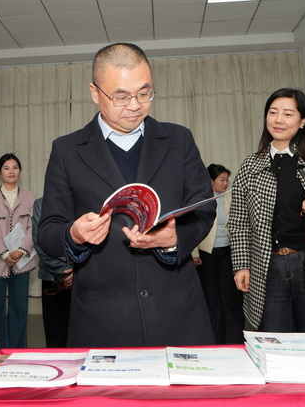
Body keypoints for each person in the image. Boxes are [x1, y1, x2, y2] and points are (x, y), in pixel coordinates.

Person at [37, 42, 216, 348]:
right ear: (95, 93)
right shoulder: (67, 151)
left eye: (144, 93)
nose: (135, 106)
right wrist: (75, 233)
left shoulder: (178, 140)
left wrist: (174, 239)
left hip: (175, 309)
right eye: (121, 97)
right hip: (102, 316)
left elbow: (203, 207)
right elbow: (48, 230)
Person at [227, 89, 305, 333]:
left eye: (288, 114)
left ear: (303, 121)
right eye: (273, 113)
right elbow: (239, 223)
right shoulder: (251, 166)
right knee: (275, 340)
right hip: (267, 266)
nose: (278, 120)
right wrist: (241, 265)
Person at [0, 153, 37, 349]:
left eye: (15, 167)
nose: (11, 171)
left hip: (22, 262)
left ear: (20, 171)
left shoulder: (29, 196)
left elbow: (33, 227)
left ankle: (17, 350)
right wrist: (5, 254)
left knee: (19, 309)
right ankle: (0, 350)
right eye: (6, 168)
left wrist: (21, 250)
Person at [193, 164, 245, 343]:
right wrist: (194, 253)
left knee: (231, 295)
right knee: (212, 296)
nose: (225, 183)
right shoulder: (201, 199)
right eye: (222, 179)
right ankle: (215, 338)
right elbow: (193, 227)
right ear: (211, 181)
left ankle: (235, 337)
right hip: (208, 254)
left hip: (228, 252)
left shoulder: (229, 197)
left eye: (227, 179)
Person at [31, 196, 72, 348]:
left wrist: (77, 271)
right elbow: (39, 241)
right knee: (55, 340)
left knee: (82, 339)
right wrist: (63, 272)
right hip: (52, 280)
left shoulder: (83, 200)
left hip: (83, 281)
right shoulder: (41, 204)